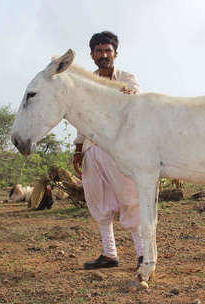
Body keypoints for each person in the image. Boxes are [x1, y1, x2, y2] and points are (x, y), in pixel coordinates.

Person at [73, 31, 143, 270]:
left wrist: (125, 94)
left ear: (115, 54)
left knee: (130, 198)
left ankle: (143, 255)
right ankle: (109, 254)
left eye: (108, 51)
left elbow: (136, 103)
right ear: (92, 55)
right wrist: (78, 148)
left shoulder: (127, 78)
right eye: (99, 51)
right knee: (98, 201)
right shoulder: (86, 82)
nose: (104, 55)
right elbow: (82, 117)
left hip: (120, 148)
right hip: (93, 148)